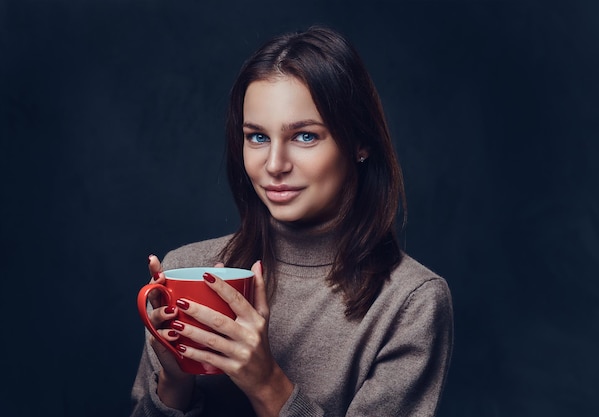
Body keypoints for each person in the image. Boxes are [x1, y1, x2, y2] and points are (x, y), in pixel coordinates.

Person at [131, 26, 453, 417]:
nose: (274, 165)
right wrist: (174, 382)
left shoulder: (409, 303)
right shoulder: (182, 269)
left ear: (359, 143)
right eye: (257, 137)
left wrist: (266, 383)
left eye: (304, 136)